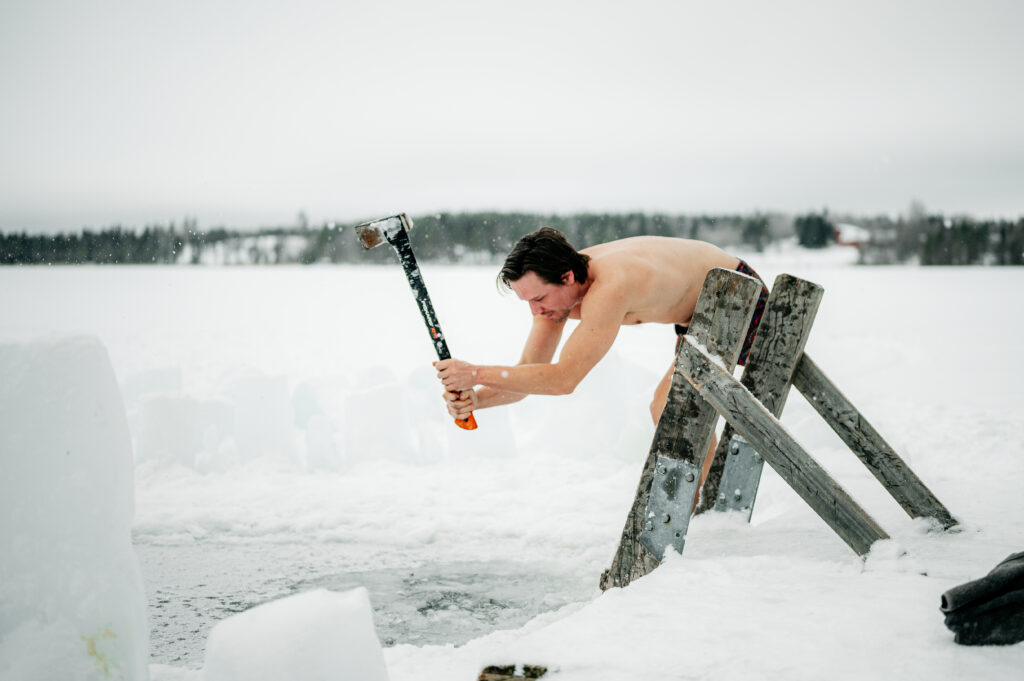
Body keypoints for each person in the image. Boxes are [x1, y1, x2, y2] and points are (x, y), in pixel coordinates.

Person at [434, 228, 768, 486]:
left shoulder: (610, 284)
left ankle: (702, 508)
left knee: (673, 404)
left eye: (538, 298)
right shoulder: (558, 294)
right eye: (527, 302)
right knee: (669, 406)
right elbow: (529, 376)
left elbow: (564, 380)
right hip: (696, 316)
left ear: (567, 276)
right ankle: (703, 506)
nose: (535, 311)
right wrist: (478, 400)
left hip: (735, 293)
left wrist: (475, 373)